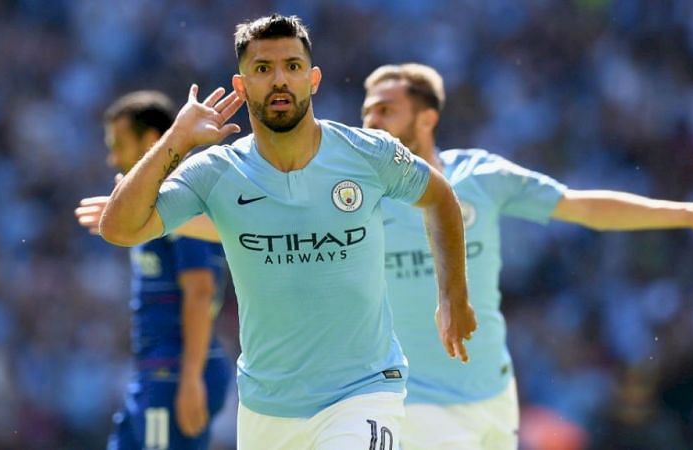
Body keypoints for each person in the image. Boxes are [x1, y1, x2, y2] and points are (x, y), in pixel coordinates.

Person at [97, 15, 476, 450]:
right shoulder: (217, 171)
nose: (280, 80)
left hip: (363, 392)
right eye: (262, 69)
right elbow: (119, 229)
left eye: (292, 67)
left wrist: (453, 296)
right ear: (241, 86)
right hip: (266, 407)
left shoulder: (366, 154)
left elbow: (440, 196)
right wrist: (175, 143)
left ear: (312, 79)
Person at [359, 63, 693, 450]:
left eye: (386, 109)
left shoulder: (481, 177)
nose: (371, 120)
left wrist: (688, 214)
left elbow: (584, 208)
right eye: (368, 110)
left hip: (494, 394)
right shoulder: (359, 196)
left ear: (427, 119)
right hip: (418, 402)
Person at [74, 91, 231, 450]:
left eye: (119, 143)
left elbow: (201, 290)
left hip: (175, 372)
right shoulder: (147, 206)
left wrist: (190, 378)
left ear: (149, 140)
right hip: (156, 370)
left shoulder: (179, 198)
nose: (112, 156)